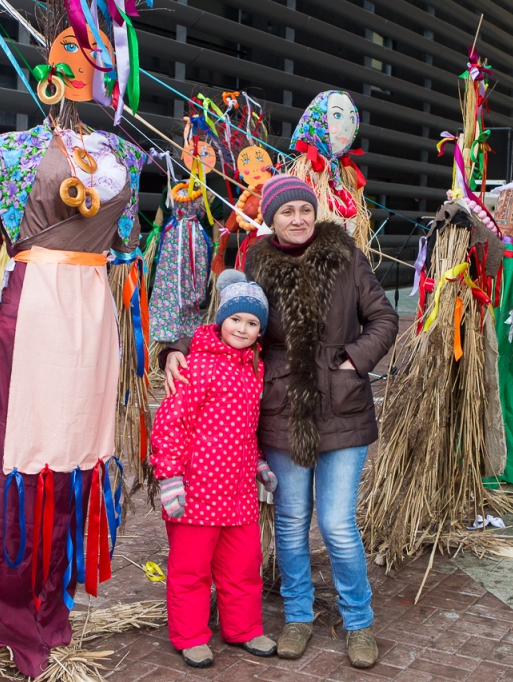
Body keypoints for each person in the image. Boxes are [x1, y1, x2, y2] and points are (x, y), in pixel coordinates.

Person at [163, 175, 398, 668]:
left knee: (336, 523)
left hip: (342, 407)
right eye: (286, 212)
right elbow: (228, 321)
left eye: (305, 210)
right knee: (291, 523)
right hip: (282, 409)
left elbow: (384, 318)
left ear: (316, 213)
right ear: (271, 220)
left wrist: (353, 360)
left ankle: (358, 622)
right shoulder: (258, 262)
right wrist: (177, 350)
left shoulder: (347, 257)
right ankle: (298, 617)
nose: (298, 219)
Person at [151, 270, 280, 668]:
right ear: (221, 318)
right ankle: (190, 635)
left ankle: (243, 628)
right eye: (236, 319)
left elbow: (247, 427)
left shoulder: (254, 371)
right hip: (196, 494)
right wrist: (170, 477)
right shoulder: (195, 365)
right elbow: (171, 423)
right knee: (191, 570)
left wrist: (257, 462)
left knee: (243, 567)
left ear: (261, 331)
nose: (242, 328)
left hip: (238, 495)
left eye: (252, 323)